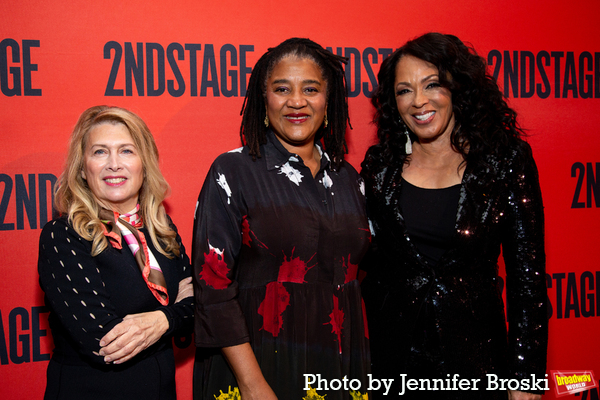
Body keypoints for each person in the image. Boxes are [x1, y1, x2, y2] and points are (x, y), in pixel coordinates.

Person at [360, 33, 547, 400]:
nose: (419, 101)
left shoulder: (505, 161)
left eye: (432, 84)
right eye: (404, 91)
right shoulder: (379, 167)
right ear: (392, 103)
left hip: (478, 363)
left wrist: (526, 377)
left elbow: (528, 279)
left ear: (458, 88)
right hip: (394, 365)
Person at [192, 38, 371, 400]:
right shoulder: (233, 171)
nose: (296, 101)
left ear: (328, 100)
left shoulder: (351, 179)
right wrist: (253, 385)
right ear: (264, 99)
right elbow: (212, 288)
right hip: (259, 366)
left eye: (310, 89)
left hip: (341, 368)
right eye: (281, 89)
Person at [38, 106, 194, 400]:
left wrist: (161, 321)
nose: (114, 164)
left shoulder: (161, 229)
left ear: (144, 164)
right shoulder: (64, 235)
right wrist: (176, 314)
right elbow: (105, 342)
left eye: (126, 151)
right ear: (83, 169)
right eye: (100, 152)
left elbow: (204, 305)